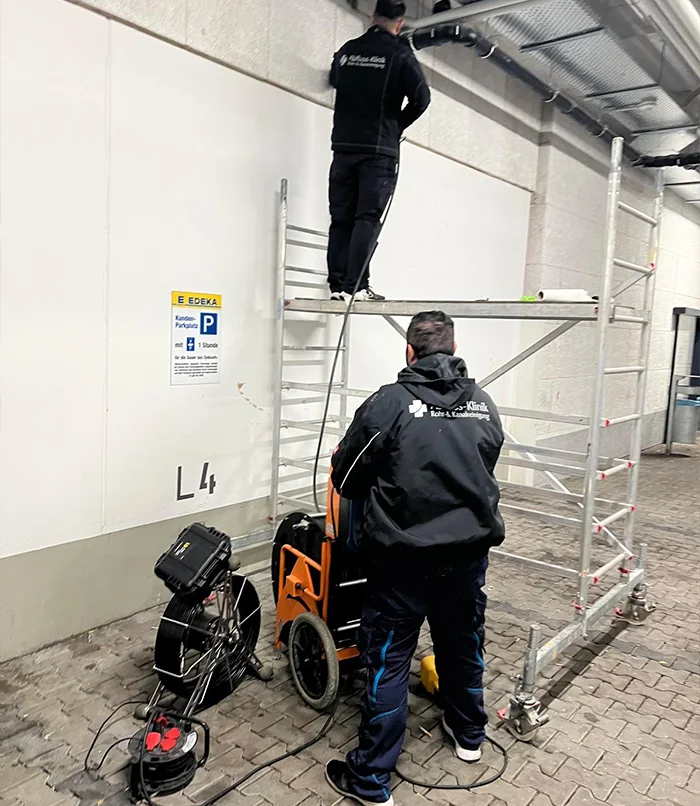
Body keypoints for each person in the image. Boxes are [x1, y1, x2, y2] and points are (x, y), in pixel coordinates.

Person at [325, 311, 505, 806]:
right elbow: (483, 466)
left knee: (388, 662)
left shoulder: (389, 404)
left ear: (409, 351)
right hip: (466, 560)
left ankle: (371, 779)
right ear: (453, 349)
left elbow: (346, 478)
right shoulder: (484, 404)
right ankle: (469, 736)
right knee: (462, 646)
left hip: (402, 564)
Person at [327, 0, 431, 303]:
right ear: (400, 23)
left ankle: (337, 286)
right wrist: (396, 126)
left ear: (372, 16)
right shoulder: (400, 54)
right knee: (367, 218)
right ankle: (356, 286)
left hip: (343, 148)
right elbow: (422, 98)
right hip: (378, 151)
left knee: (341, 219)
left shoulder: (347, 50)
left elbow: (334, 79)